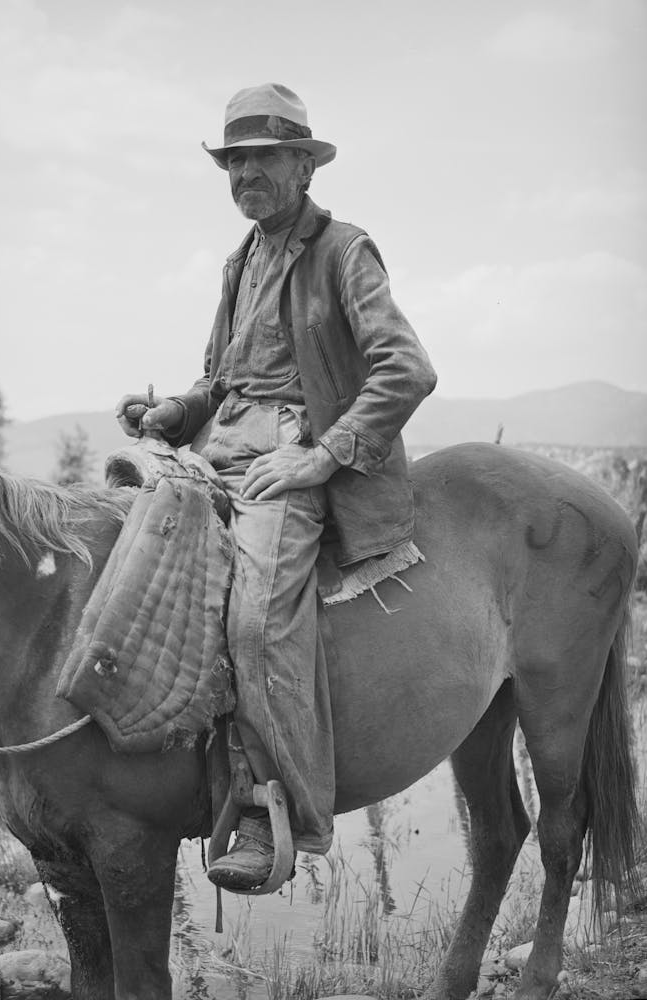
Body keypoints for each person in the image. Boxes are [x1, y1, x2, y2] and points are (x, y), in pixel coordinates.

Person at [116, 83, 437, 891]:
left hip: (289, 453)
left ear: (303, 164)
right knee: (123, 567)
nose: (245, 174)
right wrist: (171, 411)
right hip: (218, 445)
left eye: (262, 158)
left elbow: (409, 368)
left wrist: (322, 457)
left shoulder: (343, 250)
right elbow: (220, 378)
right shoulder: (242, 258)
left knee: (257, 622)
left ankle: (277, 811)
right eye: (234, 161)